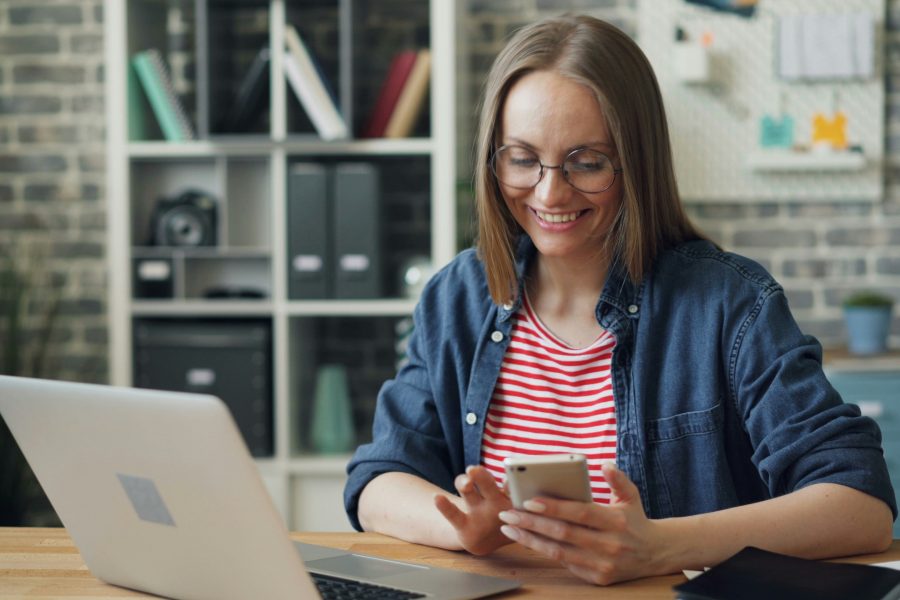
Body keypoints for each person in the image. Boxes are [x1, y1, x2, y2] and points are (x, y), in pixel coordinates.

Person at [344, 14, 896, 585]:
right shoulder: (456, 298)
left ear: (636, 162)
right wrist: (462, 528)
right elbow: (378, 479)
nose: (550, 192)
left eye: (587, 162)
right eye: (521, 158)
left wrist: (660, 546)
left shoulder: (728, 304)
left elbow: (860, 504)